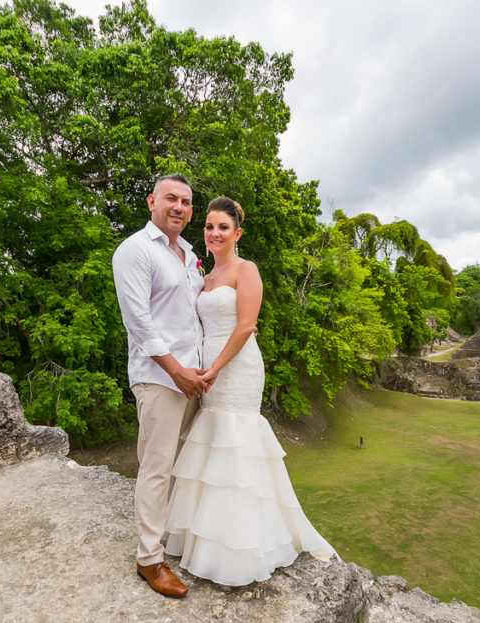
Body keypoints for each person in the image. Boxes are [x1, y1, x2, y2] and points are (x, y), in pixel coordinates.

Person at [163, 196, 336, 586]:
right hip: (207, 368)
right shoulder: (203, 278)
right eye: (208, 226)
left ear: (237, 233)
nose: (214, 232)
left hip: (236, 367)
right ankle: (204, 538)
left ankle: (241, 547)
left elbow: (245, 326)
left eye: (223, 226)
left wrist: (216, 369)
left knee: (236, 442)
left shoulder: (247, 270)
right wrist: (197, 369)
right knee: (213, 441)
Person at [112, 173, 207, 598]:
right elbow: (139, 323)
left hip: (195, 380)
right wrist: (176, 371)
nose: (180, 207)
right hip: (160, 378)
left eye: (186, 202)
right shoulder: (135, 250)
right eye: (171, 198)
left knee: (187, 465)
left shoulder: (187, 255)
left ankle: (175, 538)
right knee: (156, 468)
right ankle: (149, 560)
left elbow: (195, 317)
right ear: (152, 201)